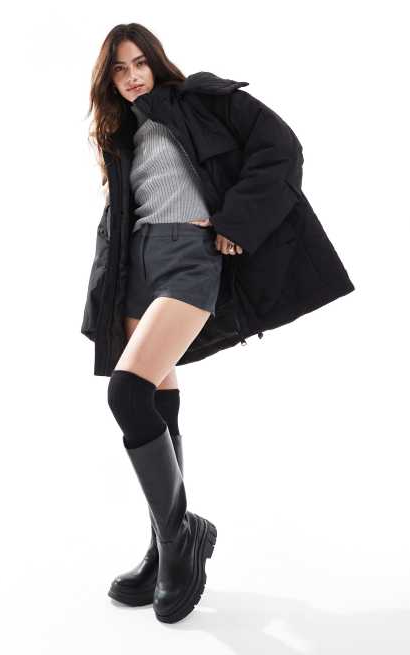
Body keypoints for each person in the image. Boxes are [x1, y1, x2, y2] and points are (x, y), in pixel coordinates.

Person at [84, 23, 355, 624]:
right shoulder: (121, 135)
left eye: (139, 63)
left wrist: (238, 221)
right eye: (119, 69)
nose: (132, 76)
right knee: (154, 398)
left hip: (190, 256)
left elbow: (281, 149)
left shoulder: (205, 100)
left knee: (126, 393)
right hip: (136, 265)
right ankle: (165, 544)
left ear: (156, 62)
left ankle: (179, 538)